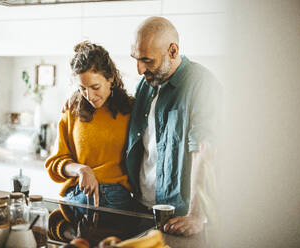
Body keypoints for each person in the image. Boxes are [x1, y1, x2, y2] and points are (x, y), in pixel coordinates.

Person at [126, 16, 222, 236]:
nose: (140, 69)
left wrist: (196, 215)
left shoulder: (202, 84)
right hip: (141, 208)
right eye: (136, 59)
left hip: (179, 217)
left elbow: (204, 152)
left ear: (172, 51)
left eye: (147, 60)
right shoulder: (146, 83)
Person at [45, 41, 134, 211]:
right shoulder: (72, 112)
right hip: (78, 195)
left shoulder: (131, 110)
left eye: (95, 87)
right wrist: (82, 170)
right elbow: (55, 163)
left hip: (118, 198)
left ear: (111, 78)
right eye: (82, 88)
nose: (89, 96)